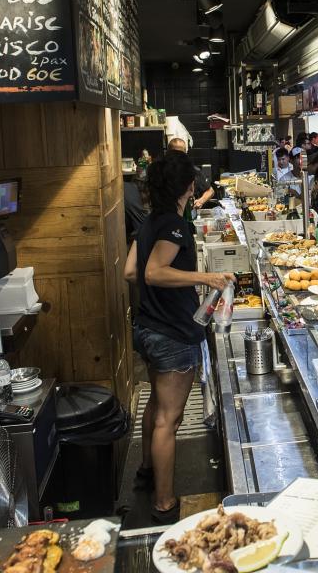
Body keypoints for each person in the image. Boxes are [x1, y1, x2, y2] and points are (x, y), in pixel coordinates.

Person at [123, 151, 235, 523]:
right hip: (172, 332)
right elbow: (154, 272)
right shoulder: (174, 224)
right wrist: (205, 278)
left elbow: (130, 272)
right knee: (168, 420)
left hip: (148, 328)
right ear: (189, 186)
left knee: (156, 406)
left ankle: (145, 469)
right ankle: (164, 502)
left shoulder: (151, 220)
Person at [167, 137, 214, 209]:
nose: (178, 157)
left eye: (181, 154)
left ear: (185, 153)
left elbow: (210, 191)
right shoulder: (161, 173)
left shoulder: (193, 171)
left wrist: (201, 201)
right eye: (175, 154)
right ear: (168, 153)